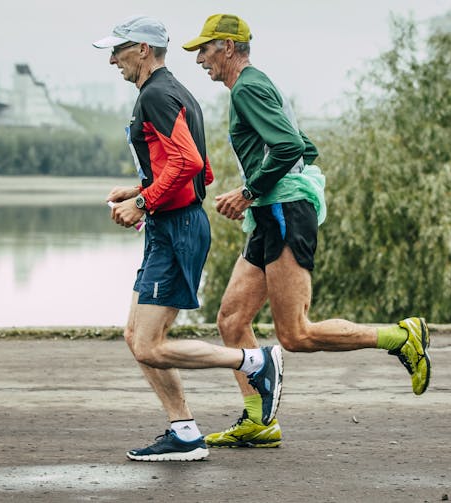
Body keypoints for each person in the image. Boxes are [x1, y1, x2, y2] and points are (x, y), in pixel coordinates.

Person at [182, 14, 432, 449]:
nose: (200, 58)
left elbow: (290, 147)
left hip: (281, 210)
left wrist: (248, 191)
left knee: (295, 333)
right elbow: (305, 146)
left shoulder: (248, 87)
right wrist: (266, 191)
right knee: (232, 320)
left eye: (205, 49)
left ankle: (400, 336)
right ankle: (259, 421)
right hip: (272, 210)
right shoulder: (256, 85)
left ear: (227, 47)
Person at [93, 15, 283, 462]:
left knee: (149, 343)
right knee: (136, 336)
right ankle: (183, 430)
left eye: (118, 50)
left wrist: (142, 204)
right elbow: (203, 169)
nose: (113, 60)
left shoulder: (157, 94)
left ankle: (254, 362)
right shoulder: (174, 91)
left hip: (175, 228)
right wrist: (141, 190)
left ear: (142, 49)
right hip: (173, 224)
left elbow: (191, 163)